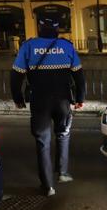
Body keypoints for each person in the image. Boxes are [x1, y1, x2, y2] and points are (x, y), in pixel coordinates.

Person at [10, 17, 86, 197]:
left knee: (43, 142)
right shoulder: (66, 46)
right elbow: (79, 76)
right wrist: (80, 98)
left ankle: (48, 186)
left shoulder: (28, 46)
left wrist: (18, 98)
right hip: (63, 101)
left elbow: (16, 76)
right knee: (63, 135)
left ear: (39, 28)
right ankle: (63, 173)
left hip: (39, 102)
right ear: (57, 29)